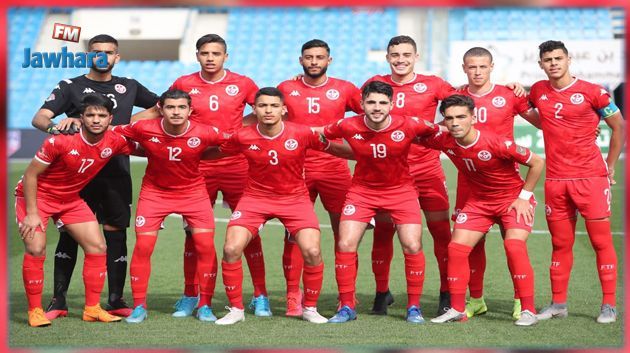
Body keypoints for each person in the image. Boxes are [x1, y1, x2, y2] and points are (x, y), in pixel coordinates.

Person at [132, 34, 268, 318]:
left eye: (216, 53)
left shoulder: (243, 83)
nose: (210, 58)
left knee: (249, 232)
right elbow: (162, 108)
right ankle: (190, 295)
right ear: (197, 56)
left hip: (236, 165)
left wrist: (238, 131)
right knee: (193, 235)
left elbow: (266, 110)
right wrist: (129, 120)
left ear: (225, 56)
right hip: (195, 167)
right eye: (205, 53)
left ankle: (260, 295)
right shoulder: (184, 83)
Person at [31, 34, 159, 319]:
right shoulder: (71, 86)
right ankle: (59, 301)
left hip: (116, 173)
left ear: (117, 57)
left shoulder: (130, 86)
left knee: (116, 235)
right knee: (69, 235)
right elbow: (40, 118)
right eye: (96, 52)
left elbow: (162, 106)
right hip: (77, 176)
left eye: (108, 52)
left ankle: (115, 300)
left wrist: (127, 125)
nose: (102, 57)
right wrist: (59, 129)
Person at [211, 87, 352, 325]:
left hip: (295, 199)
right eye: (263, 106)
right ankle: (236, 309)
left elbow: (334, 148)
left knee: (313, 251)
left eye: (274, 106)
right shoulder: (242, 136)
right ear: (254, 110)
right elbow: (213, 152)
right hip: (255, 199)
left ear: (284, 109)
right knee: (231, 248)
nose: (268, 110)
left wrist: (370, 154)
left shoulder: (302, 133)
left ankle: (309, 308)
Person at [420, 95, 544, 327]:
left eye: (461, 117)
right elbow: (412, 132)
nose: (455, 123)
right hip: (478, 203)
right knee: (456, 249)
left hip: (511, 201)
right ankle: (457, 308)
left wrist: (524, 197)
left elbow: (537, 162)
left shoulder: (497, 143)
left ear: (473, 118)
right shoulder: (444, 140)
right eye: (449, 118)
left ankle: (528, 309)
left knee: (513, 246)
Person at [323, 81, 441, 324]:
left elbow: (441, 133)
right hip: (362, 192)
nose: (377, 107)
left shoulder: (410, 123)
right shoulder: (347, 124)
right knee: (345, 244)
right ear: (362, 104)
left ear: (392, 104)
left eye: (382, 102)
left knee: (411, 245)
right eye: (371, 102)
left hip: (401, 192)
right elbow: (318, 134)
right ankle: (346, 306)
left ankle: (414, 307)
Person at [16, 94, 137, 327]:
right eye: (90, 115)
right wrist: (32, 214)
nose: (96, 120)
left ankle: (92, 308)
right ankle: (35, 310)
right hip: (37, 197)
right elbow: (31, 175)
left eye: (102, 115)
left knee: (98, 246)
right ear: (80, 118)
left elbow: (146, 145)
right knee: (36, 247)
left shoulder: (114, 140)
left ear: (110, 118)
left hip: (70, 199)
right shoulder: (60, 140)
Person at [529, 40, 624, 324]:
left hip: (590, 178)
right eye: (548, 59)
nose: (554, 63)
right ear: (541, 64)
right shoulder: (537, 90)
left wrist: (609, 165)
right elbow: (541, 118)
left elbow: (619, 126)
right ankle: (558, 303)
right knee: (560, 244)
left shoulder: (593, 92)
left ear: (569, 59)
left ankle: (609, 305)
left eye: (559, 58)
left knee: (600, 242)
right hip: (556, 180)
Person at [362, 35, 456, 315]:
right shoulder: (374, 84)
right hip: (388, 174)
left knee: (440, 233)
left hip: (427, 170)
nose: (400, 59)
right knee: (383, 233)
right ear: (388, 57)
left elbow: (462, 106)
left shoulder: (434, 84)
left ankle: (445, 292)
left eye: (406, 54)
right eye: (395, 54)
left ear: (416, 56)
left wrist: (431, 128)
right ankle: (382, 293)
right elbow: (360, 115)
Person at [114, 89, 224, 324]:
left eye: (181, 107)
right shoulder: (144, 128)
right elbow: (111, 132)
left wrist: (201, 155)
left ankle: (204, 304)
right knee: (143, 246)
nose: (176, 112)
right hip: (155, 193)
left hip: (193, 193)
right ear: (160, 109)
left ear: (190, 110)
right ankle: (139, 306)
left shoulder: (204, 132)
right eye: (171, 107)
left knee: (205, 246)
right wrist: (138, 150)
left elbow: (233, 144)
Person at [276, 39, 362, 317]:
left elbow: (370, 116)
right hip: (295, 169)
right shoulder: (286, 89)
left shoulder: (346, 89)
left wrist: (357, 146)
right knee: (294, 235)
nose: (314, 61)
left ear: (329, 60)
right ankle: (293, 296)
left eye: (320, 57)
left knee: (345, 234)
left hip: (335, 168)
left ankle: (346, 296)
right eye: (309, 57)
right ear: (300, 60)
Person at [456, 47, 541, 321]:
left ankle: (521, 301)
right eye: (472, 67)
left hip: (506, 184)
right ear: (464, 68)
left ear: (492, 66)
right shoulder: (455, 97)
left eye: (482, 66)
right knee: (471, 245)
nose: (477, 72)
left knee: (512, 243)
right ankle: (476, 300)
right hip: (468, 183)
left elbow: (541, 122)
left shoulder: (509, 95)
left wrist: (584, 125)